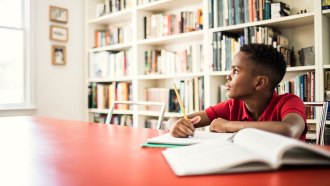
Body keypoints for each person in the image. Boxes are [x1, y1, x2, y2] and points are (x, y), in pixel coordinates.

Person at [166, 43, 307, 140]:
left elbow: (290, 130)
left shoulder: (289, 102)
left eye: (236, 71)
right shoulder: (232, 106)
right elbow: (176, 120)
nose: (228, 76)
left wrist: (228, 125)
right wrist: (175, 125)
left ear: (259, 83)